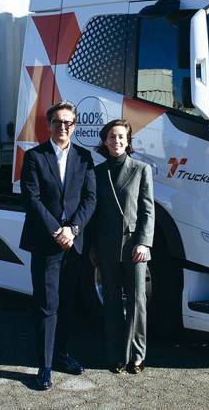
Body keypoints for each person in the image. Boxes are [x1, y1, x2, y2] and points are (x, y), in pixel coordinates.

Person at [19, 101, 96, 391]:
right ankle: (45, 366)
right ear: (48, 125)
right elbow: (31, 198)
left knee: (67, 304)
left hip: (73, 243)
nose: (63, 127)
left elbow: (91, 198)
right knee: (46, 305)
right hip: (47, 243)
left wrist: (73, 230)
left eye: (69, 122)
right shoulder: (34, 157)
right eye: (58, 122)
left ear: (74, 126)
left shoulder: (85, 158)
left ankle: (62, 354)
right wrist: (57, 230)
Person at [88, 119, 154, 375]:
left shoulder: (141, 169)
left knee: (137, 302)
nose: (117, 141)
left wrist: (144, 243)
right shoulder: (97, 172)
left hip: (134, 247)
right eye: (112, 137)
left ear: (128, 142)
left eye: (121, 137)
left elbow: (148, 211)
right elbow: (94, 215)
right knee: (112, 302)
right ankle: (115, 354)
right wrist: (93, 248)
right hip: (106, 247)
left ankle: (137, 356)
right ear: (105, 141)